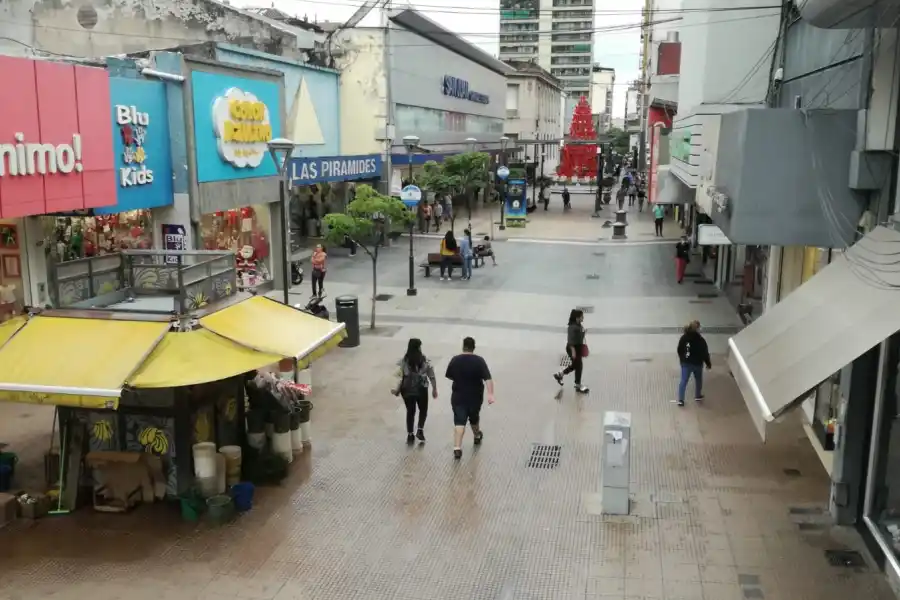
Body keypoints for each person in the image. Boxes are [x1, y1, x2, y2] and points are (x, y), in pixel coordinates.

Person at [445, 336, 494, 459]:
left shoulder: (455, 360)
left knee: (459, 421)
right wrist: (490, 394)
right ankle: (477, 435)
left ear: (463, 346)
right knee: (474, 417)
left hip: (458, 396)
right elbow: (488, 378)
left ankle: (457, 447)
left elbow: (449, 375)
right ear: (473, 347)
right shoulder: (479, 361)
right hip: (475, 396)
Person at [391, 338, 438, 442]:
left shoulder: (404, 360)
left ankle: (410, 434)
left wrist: (397, 390)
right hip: (421, 388)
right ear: (419, 347)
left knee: (410, 411)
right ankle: (420, 430)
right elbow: (431, 375)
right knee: (423, 410)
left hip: (406, 389)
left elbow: (401, 377)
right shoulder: (424, 359)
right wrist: (434, 388)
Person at [553, 309, 590, 394]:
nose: (583, 318)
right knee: (578, 366)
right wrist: (573, 351)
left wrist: (583, 332)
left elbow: (580, 336)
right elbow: (570, 341)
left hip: (578, 348)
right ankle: (578, 385)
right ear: (577, 318)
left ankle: (560, 375)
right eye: (582, 317)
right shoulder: (572, 327)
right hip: (572, 348)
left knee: (576, 365)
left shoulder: (578, 325)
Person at [676, 321, 711, 406]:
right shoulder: (700, 340)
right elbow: (705, 352)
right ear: (697, 329)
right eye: (699, 328)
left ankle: (681, 400)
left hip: (686, 363)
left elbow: (679, 349)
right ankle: (697, 395)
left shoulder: (684, 338)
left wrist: (682, 359)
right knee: (698, 380)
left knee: (683, 381)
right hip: (697, 364)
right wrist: (708, 363)